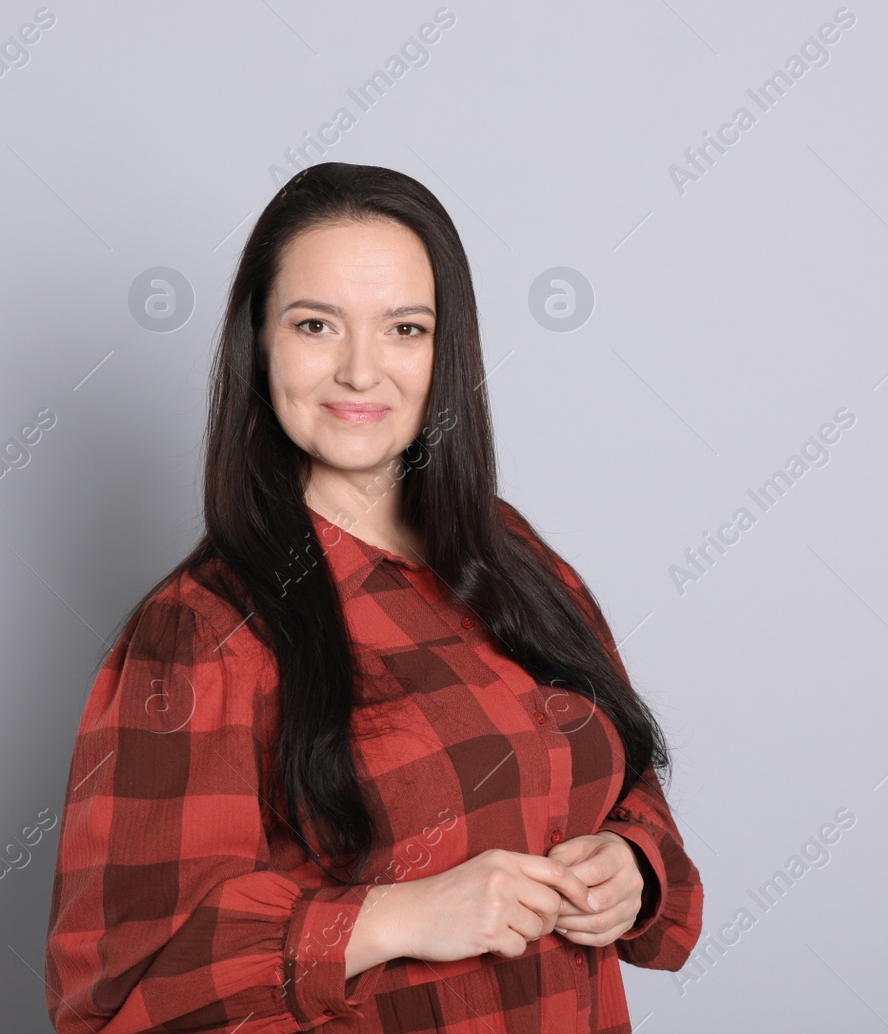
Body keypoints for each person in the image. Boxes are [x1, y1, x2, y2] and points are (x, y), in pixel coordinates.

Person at [43, 162, 702, 1032]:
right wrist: (397, 919)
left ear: (446, 350)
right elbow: (119, 999)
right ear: (260, 342)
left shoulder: (514, 556)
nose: (361, 370)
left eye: (404, 328)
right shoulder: (198, 634)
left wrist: (634, 864)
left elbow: (625, 776)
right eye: (316, 324)